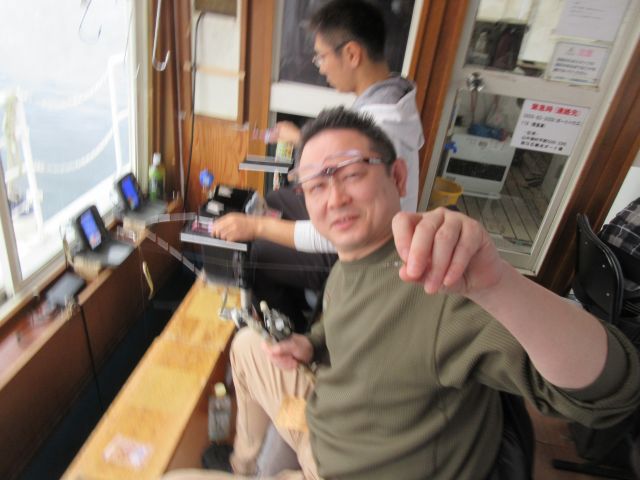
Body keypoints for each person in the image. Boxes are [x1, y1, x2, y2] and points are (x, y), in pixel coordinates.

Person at [167, 108, 640, 480]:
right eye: (316, 184)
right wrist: (310, 344)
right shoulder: (351, 264)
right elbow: (344, 321)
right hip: (326, 427)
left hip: (356, 469)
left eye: (351, 173)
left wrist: (499, 284)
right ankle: (243, 464)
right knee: (248, 346)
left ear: (397, 177)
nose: (334, 198)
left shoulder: (438, 280)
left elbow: (611, 391)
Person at [211, 0, 424, 329]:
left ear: (351, 54)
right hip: (360, 223)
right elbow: (347, 161)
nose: (320, 67)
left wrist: (256, 227)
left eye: (322, 56)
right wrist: (301, 139)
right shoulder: (391, 95)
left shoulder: (383, 127)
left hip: (360, 248)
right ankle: (292, 290)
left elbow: (336, 235)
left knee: (255, 254)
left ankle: (295, 333)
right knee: (278, 201)